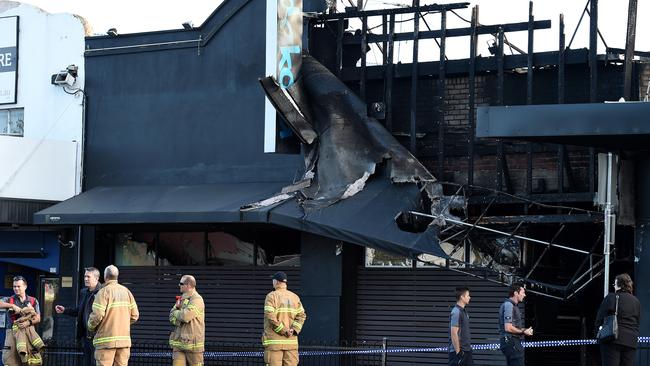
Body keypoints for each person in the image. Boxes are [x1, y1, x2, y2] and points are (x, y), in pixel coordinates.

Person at [87, 265, 139, 366]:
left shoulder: (103, 292)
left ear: (105, 277)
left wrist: (90, 326)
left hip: (105, 343)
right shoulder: (127, 292)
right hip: (123, 343)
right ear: (117, 277)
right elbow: (135, 315)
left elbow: (97, 315)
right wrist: (122, 324)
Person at [55, 267, 102, 366]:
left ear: (96, 278)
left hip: (98, 336)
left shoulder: (102, 292)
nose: (85, 279)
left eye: (88, 277)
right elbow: (80, 311)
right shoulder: (84, 292)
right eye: (85, 276)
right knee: (87, 362)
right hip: (86, 335)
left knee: (96, 362)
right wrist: (65, 310)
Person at [595, 273, 641, 366]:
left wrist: (598, 333)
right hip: (631, 341)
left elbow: (599, 318)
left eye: (614, 284)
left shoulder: (611, 297)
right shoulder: (636, 301)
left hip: (613, 339)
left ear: (618, 285)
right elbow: (638, 321)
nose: (614, 287)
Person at [263, 271, 307, 366]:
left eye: (273, 280)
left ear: (276, 282)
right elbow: (302, 316)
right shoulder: (295, 297)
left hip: (274, 344)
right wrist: (294, 330)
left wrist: (284, 330)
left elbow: (270, 317)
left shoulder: (271, 296)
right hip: (291, 343)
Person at [0, 276, 41, 366]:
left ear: (25, 286)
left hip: (29, 334)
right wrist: (12, 306)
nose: (16, 288)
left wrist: (28, 322)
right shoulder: (9, 299)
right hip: (12, 333)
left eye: (18, 286)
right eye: (14, 286)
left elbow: (38, 318)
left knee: (30, 361)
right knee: (10, 361)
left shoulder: (33, 301)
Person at [169, 275, 205, 366]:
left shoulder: (197, 299)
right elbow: (171, 317)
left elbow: (186, 316)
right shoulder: (180, 299)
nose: (179, 285)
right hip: (179, 345)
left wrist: (178, 314)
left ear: (188, 285)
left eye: (181, 283)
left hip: (193, 346)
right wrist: (179, 316)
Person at [498, 283, 533, 366]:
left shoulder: (513, 306)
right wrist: (524, 332)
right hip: (511, 341)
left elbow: (511, 327)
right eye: (523, 292)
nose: (524, 295)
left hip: (511, 341)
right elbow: (508, 328)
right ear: (516, 293)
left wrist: (524, 330)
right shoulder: (509, 305)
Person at [449, 287, 473, 366]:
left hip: (467, 351)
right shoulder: (456, 312)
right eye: (468, 295)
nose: (470, 297)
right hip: (459, 352)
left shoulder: (464, 311)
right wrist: (458, 352)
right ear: (462, 297)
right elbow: (454, 333)